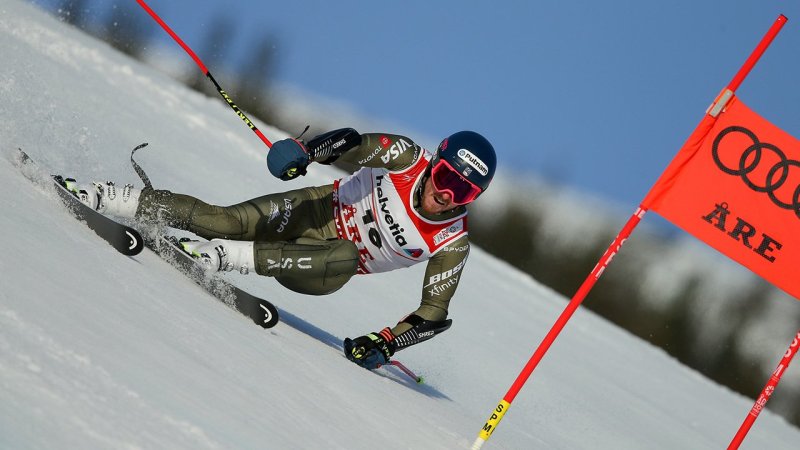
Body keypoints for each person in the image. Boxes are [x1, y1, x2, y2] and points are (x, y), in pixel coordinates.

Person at [67, 128, 497, 370]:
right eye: (447, 177)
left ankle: (223, 258)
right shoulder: (409, 158)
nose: (447, 194)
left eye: (464, 192)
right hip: (313, 209)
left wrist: (384, 343)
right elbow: (354, 143)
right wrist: (306, 153)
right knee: (225, 222)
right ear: (435, 163)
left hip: (319, 268)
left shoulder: (452, 241)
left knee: (347, 255)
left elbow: (432, 314)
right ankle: (107, 196)